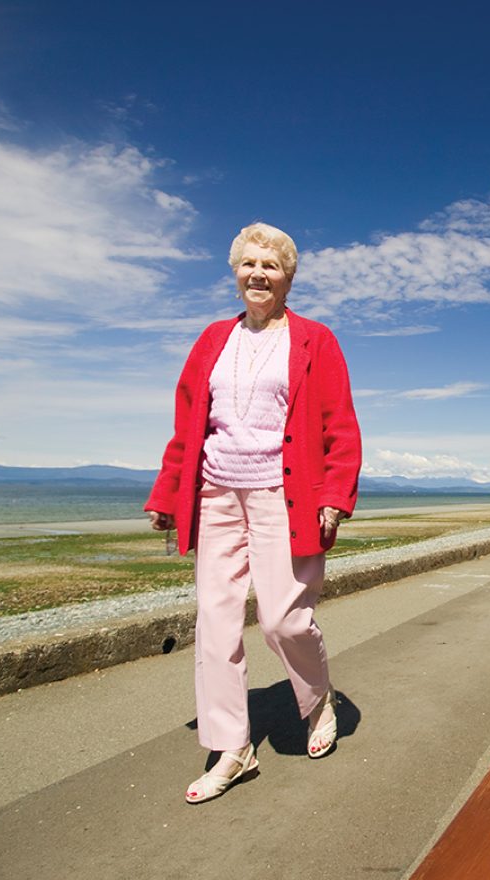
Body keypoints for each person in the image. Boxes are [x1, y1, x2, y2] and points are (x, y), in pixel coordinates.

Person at [145, 222, 361, 804]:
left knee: (283, 621)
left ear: (289, 278)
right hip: (216, 495)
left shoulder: (315, 339)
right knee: (214, 626)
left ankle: (318, 701)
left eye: (271, 265)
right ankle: (231, 747)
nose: (258, 274)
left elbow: (339, 426)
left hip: (281, 498)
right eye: (248, 264)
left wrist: (334, 498)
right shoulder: (213, 338)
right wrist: (169, 496)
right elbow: (188, 424)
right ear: (235, 274)